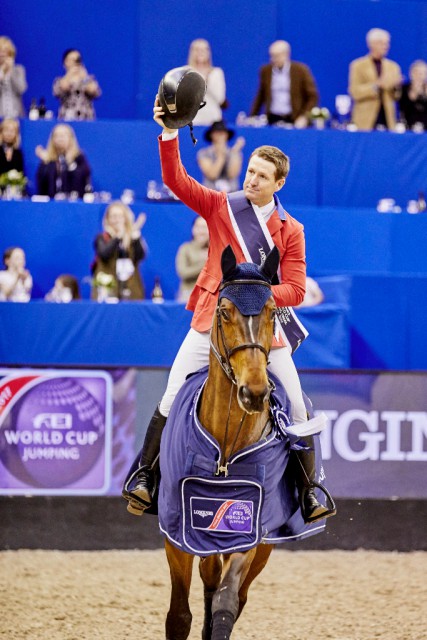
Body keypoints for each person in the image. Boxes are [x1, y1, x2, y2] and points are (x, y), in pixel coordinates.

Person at [123, 93, 334, 526]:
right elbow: (177, 180)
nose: (252, 180)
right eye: (250, 172)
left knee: (295, 403)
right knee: (170, 393)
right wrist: (169, 132)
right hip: (212, 324)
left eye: (262, 177)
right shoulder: (223, 205)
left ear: (279, 184)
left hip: (262, 333)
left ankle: (310, 489)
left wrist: (257, 293)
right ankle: (144, 476)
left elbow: (294, 287)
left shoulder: (291, 230)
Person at [250, 40, 319, 128]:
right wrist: (252, 116)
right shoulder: (265, 71)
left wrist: (304, 117)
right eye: (271, 56)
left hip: (294, 119)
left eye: (276, 56)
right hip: (272, 118)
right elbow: (261, 96)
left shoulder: (301, 70)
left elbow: (312, 96)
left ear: (286, 54)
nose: (273, 59)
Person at [91, 201, 147, 300]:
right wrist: (117, 237)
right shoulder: (102, 238)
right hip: (108, 289)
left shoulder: (132, 237)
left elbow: (140, 256)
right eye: (113, 216)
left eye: (120, 216)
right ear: (107, 219)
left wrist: (135, 238)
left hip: (131, 288)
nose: (117, 220)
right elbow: (104, 254)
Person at [348, 28, 403, 131]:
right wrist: (377, 85)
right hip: (366, 119)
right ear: (371, 44)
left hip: (387, 117)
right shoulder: (358, 65)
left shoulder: (393, 66)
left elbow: (396, 96)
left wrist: (396, 86)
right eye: (381, 43)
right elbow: (355, 92)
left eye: (387, 43)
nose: (386, 46)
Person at [35, 124, 91, 199]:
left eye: (63, 135)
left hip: (73, 202)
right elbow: (42, 185)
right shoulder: (48, 159)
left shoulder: (79, 157)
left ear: (71, 138)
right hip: (51, 203)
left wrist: (70, 163)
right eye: (56, 136)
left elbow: (82, 180)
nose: (60, 139)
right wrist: (46, 163)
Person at [53, 48, 101, 121]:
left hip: (87, 120)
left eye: (78, 60)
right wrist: (70, 74)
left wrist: (85, 77)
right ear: (65, 62)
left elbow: (93, 91)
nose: (75, 62)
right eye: (72, 60)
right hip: (67, 120)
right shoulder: (59, 80)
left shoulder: (88, 79)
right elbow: (63, 88)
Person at [197, 120, 245, 193]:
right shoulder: (203, 153)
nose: (220, 135)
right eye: (217, 133)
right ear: (211, 135)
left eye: (222, 133)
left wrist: (234, 153)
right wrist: (221, 156)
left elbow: (232, 174)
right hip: (211, 194)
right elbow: (212, 174)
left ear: (227, 135)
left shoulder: (235, 153)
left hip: (232, 195)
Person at [187, 39, 226, 126]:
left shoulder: (216, 72)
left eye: (204, 50)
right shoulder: (185, 71)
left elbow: (220, 99)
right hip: (192, 120)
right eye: (197, 50)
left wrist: (205, 81)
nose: (200, 53)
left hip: (213, 120)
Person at [175, 216, 209, 303]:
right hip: (188, 294)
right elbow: (183, 273)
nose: (201, 231)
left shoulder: (215, 249)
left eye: (205, 227)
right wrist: (205, 262)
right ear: (193, 229)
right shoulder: (185, 248)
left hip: (210, 294)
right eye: (199, 227)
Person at [0, 36, 27, 118]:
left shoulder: (18, 70)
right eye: (0, 51)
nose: (2, 54)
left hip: (16, 114)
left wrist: (11, 71)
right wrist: (2, 72)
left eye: (5, 52)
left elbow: (21, 89)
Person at [399, 60, 427, 131]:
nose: (420, 76)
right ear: (411, 73)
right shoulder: (404, 88)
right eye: (417, 73)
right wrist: (412, 95)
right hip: (407, 125)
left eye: (423, 73)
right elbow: (402, 107)